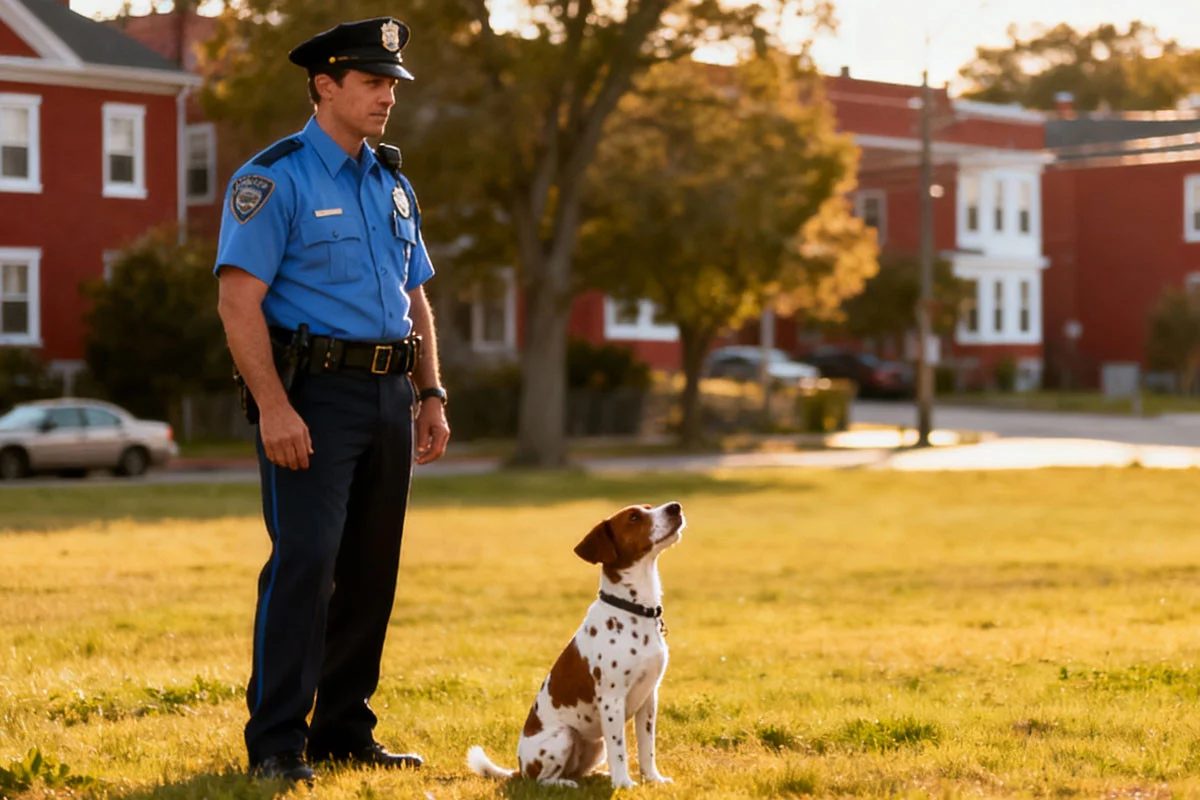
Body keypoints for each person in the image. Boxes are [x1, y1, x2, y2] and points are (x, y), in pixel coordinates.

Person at [213, 16, 450, 784]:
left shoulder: (393, 182)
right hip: (312, 397)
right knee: (308, 562)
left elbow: (416, 298)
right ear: (325, 85)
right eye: (373, 82)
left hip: (390, 396)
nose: (388, 97)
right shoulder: (274, 178)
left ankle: (344, 730)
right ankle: (278, 741)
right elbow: (238, 303)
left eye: (392, 85)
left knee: (371, 567)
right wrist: (276, 408)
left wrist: (432, 393)